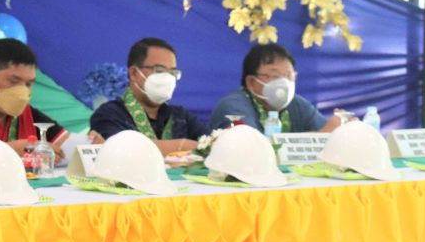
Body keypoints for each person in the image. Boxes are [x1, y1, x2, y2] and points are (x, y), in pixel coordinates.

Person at [88, 37, 209, 155]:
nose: (167, 78)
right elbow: (121, 149)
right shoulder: (109, 114)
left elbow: (210, 145)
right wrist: (182, 146)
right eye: (159, 70)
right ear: (134, 73)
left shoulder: (181, 116)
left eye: (172, 72)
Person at [208, 42, 342, 134]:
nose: (283, 82)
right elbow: (248, 145)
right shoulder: (233, 105)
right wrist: (323, 136)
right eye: (274, 75)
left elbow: (326, 131)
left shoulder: (298, 104)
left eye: (288, 75)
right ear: (251, 82)